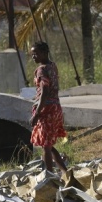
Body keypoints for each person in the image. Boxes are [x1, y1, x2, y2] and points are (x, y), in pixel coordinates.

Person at [29, 41, 68, 174]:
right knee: (49, 146)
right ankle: (65, 171)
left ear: (45, 53)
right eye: (32, 54)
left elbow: (44, 90)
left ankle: (49, 176)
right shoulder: (52, 66)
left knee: (46, 147)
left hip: (47, 110)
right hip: (56, 107)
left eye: (36, 53)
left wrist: (36, 114)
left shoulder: (41, 70)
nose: (34, 57)